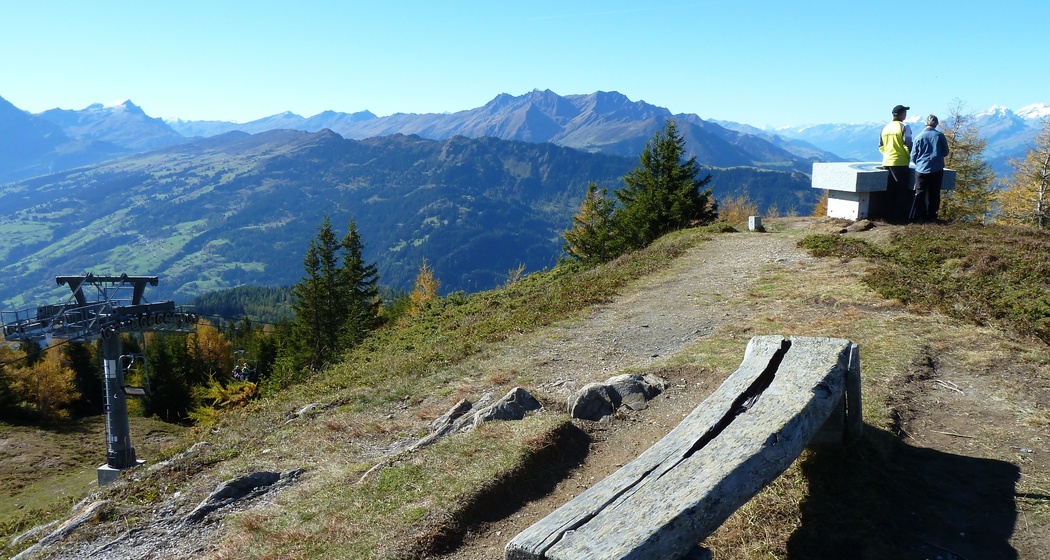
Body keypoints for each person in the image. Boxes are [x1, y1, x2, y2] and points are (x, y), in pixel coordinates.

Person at [910, 114, 950, 222]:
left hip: (921, 169)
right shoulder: (940, 136)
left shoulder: (918, 137)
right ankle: (932, 216)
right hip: (936, 169)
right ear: (936, 124)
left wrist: (919, 163)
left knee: (920, 193)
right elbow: (946, 152)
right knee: (934, 193)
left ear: (926, 123)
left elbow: (913, 155)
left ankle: (920, 217)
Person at [879, 104, 913, 222]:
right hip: (900, 162)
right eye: (905, 112)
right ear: (902, 114)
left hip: (887, 161)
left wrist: (887, 154)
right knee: (901, 190)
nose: (906, 114)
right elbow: (908, 144)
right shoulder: (904, 127)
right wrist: (910, 157)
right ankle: (899, 217)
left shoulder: (885, 128)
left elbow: (881, 146)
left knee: (890, 190)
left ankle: (887, 216)